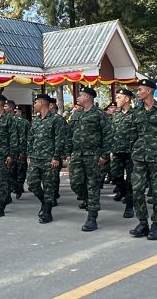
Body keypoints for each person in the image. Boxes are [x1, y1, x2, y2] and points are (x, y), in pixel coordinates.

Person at [128, 79, 157, 241]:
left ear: (149, 91)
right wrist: (132, 151)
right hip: (139, 157)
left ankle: (156, 225)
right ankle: (143, 223)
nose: (138, 92)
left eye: (140, 89)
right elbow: (133, 135)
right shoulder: (137, 112)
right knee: (137, 190)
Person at [65, 86, 111, 232]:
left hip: (93, 155)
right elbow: (70, 134)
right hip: (78, 155)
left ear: (88, 97)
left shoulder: (99, 114)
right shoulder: (77, 115)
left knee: (93, 185)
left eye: (81, 95)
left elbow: (108, 135)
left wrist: (104, 155)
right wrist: (68, 152)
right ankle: (87, 200)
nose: (78, 98)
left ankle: (92, 217)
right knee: (75, 183)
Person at [27, 94, 65, 223]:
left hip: (50, 159)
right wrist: (30, 154)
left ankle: (47, 212)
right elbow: (31, 138)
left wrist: (56, 157)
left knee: (49, 186)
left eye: (36, 102)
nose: (34, 105)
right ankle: (44, 202)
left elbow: (60, 140)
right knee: (32, 183)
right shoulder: (36, 120)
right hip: (36, 158)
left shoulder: (56, 119)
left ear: (42, 103)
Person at [110, 88, 136, 218]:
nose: (117, 100)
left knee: (132, 180)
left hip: (131, 153)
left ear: (127, 99)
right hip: (118, 152)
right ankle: (123, 192)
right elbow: (112, 133)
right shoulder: (116, 115)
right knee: (115, 176)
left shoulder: (136, 114)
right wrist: (111, 150)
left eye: (119, 97)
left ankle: (130, 205)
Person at [48, 98, 65, 206]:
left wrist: (62, 153)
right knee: (48, 177)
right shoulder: (44, 119)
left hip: (55, 153)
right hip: (45, 153)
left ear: (51, 106)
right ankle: (51, 195)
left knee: (53, 176)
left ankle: (53, 195)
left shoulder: (59, 119)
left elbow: (62, 137)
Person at [12, 103, 30, 199]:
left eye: (17, 111)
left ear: (20, 112)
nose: (16, 113)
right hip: (14, 149)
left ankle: (20, 185)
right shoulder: (12, 121)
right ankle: (17, 186)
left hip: (21, 149)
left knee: (21, 168)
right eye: (15, 111)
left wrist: (25, 150)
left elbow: (28, 136)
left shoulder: (25, 122)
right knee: (14, 169)